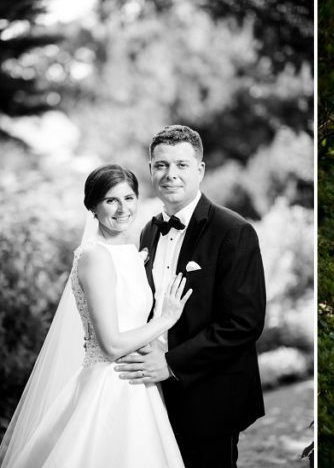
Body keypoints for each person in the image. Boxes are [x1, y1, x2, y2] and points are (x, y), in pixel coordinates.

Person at [0, 164, 191, 467]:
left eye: (129, 198)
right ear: (92, 206)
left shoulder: (130, 251)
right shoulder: (95, 257)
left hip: (137, 384)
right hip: (109, 385)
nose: (122, 208)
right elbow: (112, 345)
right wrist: (166, 320)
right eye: (110, 200)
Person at [113, 124, 267, 468]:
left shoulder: (234, 231)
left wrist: (169, 363)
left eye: (181, 165)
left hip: (210, 395)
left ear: (199, 170)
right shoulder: (148, 231)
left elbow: (244, 323)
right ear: (151, 170)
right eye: (161, 165)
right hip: (152, 395)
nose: (170, 174)